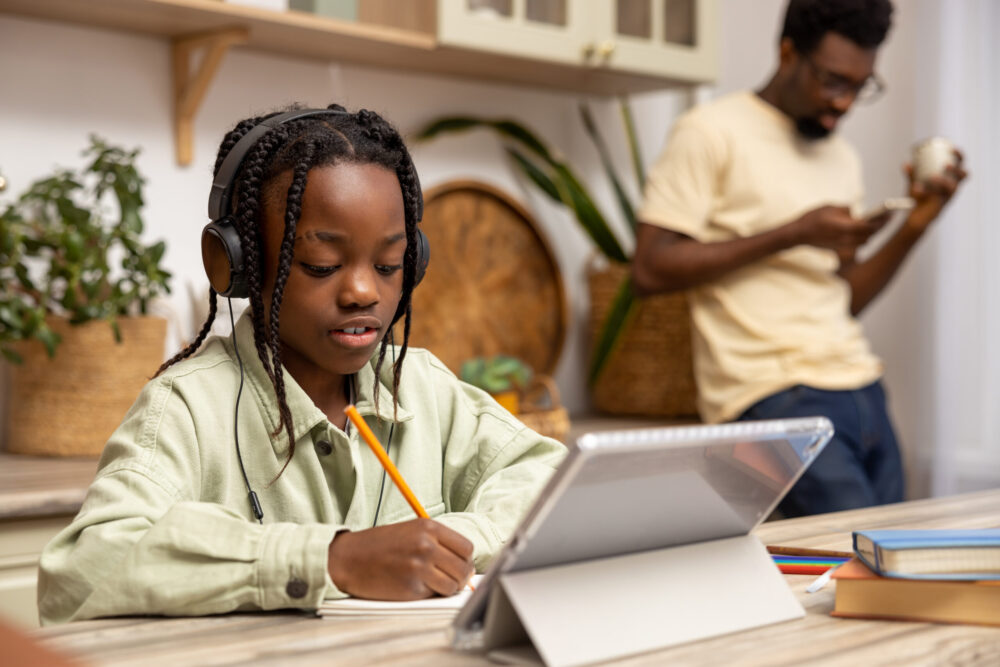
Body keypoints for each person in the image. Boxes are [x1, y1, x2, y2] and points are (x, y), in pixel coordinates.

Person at [37, 105, 566, 624]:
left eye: (388, 265)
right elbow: (83, 567)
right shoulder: (186, 409)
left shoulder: (420, 385)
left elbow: (553, 484)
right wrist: (334, 560)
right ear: (240, 265)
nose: (363, 291)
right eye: (322, 265)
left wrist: (450, 545)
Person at [632, 0, 966, 517]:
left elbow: (843, 297)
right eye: (833, 81)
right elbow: (650, 268)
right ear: (788, 52)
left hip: (863, 391)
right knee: (853, 577)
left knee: (895, 581)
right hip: (772, 399)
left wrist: (915, 226)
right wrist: (794, 233)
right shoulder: (710, 132)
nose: (845, 103)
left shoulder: (840, 156)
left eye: (860, 86)